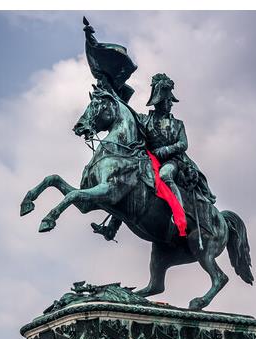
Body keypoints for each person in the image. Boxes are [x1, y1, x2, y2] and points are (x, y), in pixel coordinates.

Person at [92, 73, 216, 241]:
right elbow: (128, 114)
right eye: (168, 101)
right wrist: (109, 90)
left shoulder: (177, 124)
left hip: (173, 161)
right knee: (126, 180)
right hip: (149, 160)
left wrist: (164, 151)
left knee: (165, 175)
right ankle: (111, 229)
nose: (170, 104)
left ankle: (179, 216)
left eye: (171, 101)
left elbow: (182, 144)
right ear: (159, 101)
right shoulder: (145, 120)